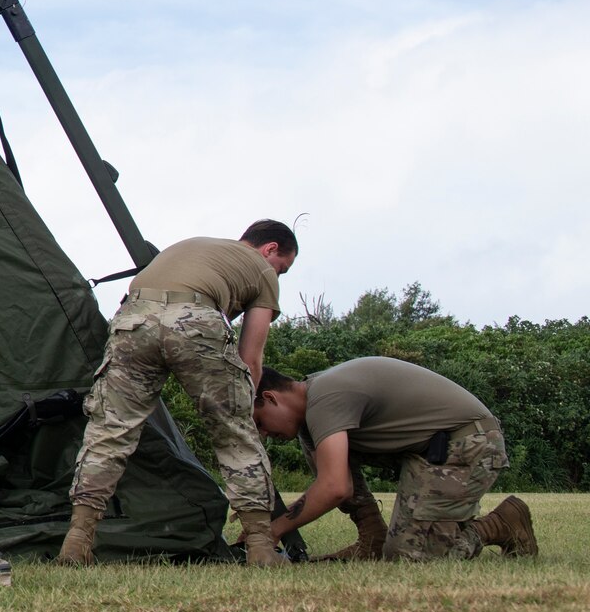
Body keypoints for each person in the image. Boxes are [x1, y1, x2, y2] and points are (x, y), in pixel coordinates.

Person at [57, 219, 298, 567]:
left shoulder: (194, 244)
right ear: (270, 249)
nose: (279, 274)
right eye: (283, 267)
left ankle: (77, 541)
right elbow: (252, 356)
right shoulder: (262, 270)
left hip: (132, 319)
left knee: (108, 433)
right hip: (195, 319)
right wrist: (243, 405)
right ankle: (261, 548)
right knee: (234, 435)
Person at [253, 357, 537, 561]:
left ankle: (502, 523)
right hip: (429, 450)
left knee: (409, 556)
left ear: (270, 398)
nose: (264, 433)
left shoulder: (326, 398)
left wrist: (272, 531)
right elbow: (340, 482)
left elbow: (334, 487)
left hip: (468, 445)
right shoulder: (312, 415)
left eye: (260, 422)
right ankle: (372, 537)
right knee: (316, 446)